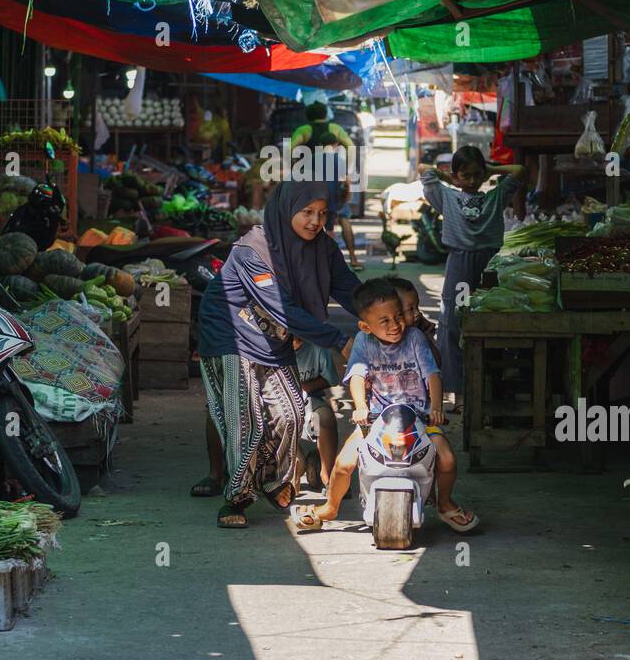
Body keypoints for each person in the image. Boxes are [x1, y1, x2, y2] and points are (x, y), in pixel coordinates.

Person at [197, 180, 360, 528]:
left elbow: (352, 290)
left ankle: (272, 481)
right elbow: (282, 310)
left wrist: (391, 312)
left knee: (290, 414)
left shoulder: (323, 249)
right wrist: (338, 340)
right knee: (247, 421)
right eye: (307, 213)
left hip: (274, 338)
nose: (316, 221)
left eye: (322, 214)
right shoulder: (253, 250)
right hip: (229, 332)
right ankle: (235, 500)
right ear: (286, 210)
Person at [295, 279, 479, 534]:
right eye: (385, 321)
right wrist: (360, 408)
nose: (395, 325)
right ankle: (330, 507)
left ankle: (445, 503)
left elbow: (433, 375)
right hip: (376, 421)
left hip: (420, 420)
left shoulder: (415, 338)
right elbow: (357, 376)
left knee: (447, 459)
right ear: (365, 326)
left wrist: (436, 407)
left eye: (398, 316)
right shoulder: (363, 342)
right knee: (344, 464)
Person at [420, 146, 525, 409]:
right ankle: (458, 394)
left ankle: (491, 390)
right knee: (452, 326)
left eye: (477, 175)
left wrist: (491, 171)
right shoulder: (447, 196)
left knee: (491, 322)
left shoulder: (496, 196)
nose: (471, 180)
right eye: (464, 175)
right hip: (460, 263)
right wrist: (448, 178)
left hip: (490, 265)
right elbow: (424, 170)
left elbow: (520, 170)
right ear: (455, 176)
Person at [290, 101, 362, 269]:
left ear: (309, 115)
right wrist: (349, 168)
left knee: (313, 223)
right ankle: (353, 258)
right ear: (325, 114)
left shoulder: (304, 130)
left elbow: (291, 148)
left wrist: (295, 169)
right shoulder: (335, 128)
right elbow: (350, 146)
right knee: (344, 220)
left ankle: (316, 261)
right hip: (336, 188)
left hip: (314, 188)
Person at [292, 338, 340, 490]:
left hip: (310, 399)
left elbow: (331, 379)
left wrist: (303, 388)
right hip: (278, 403)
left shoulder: (317, 345)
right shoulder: (271, 347)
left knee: (325, 418)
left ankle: (329, 476)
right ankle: (295, 463)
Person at [386, 275, 440, 365]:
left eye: (417, 307)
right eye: (410, 309)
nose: (418, 313)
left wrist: (428, 339)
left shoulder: (419, 333)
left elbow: (436, 363)